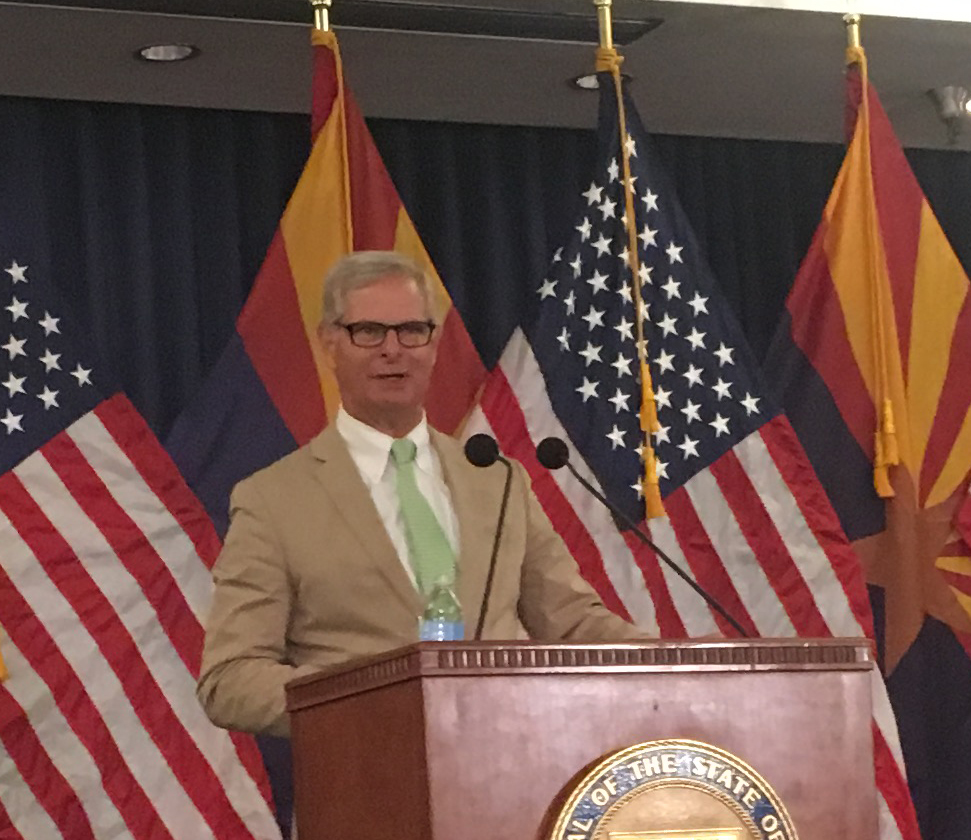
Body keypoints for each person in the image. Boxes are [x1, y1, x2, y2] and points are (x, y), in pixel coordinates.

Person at [197, 251, 642, 737]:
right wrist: (374, 702)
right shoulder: (273, 500)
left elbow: (572, 622)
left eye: (412, 330)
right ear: (329, 342)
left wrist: (679, 660)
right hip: (365, 786)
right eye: (368, 332)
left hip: (506, 780)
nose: (393, 350)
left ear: (434, 343)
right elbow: (231, 676)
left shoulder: (497, 480)